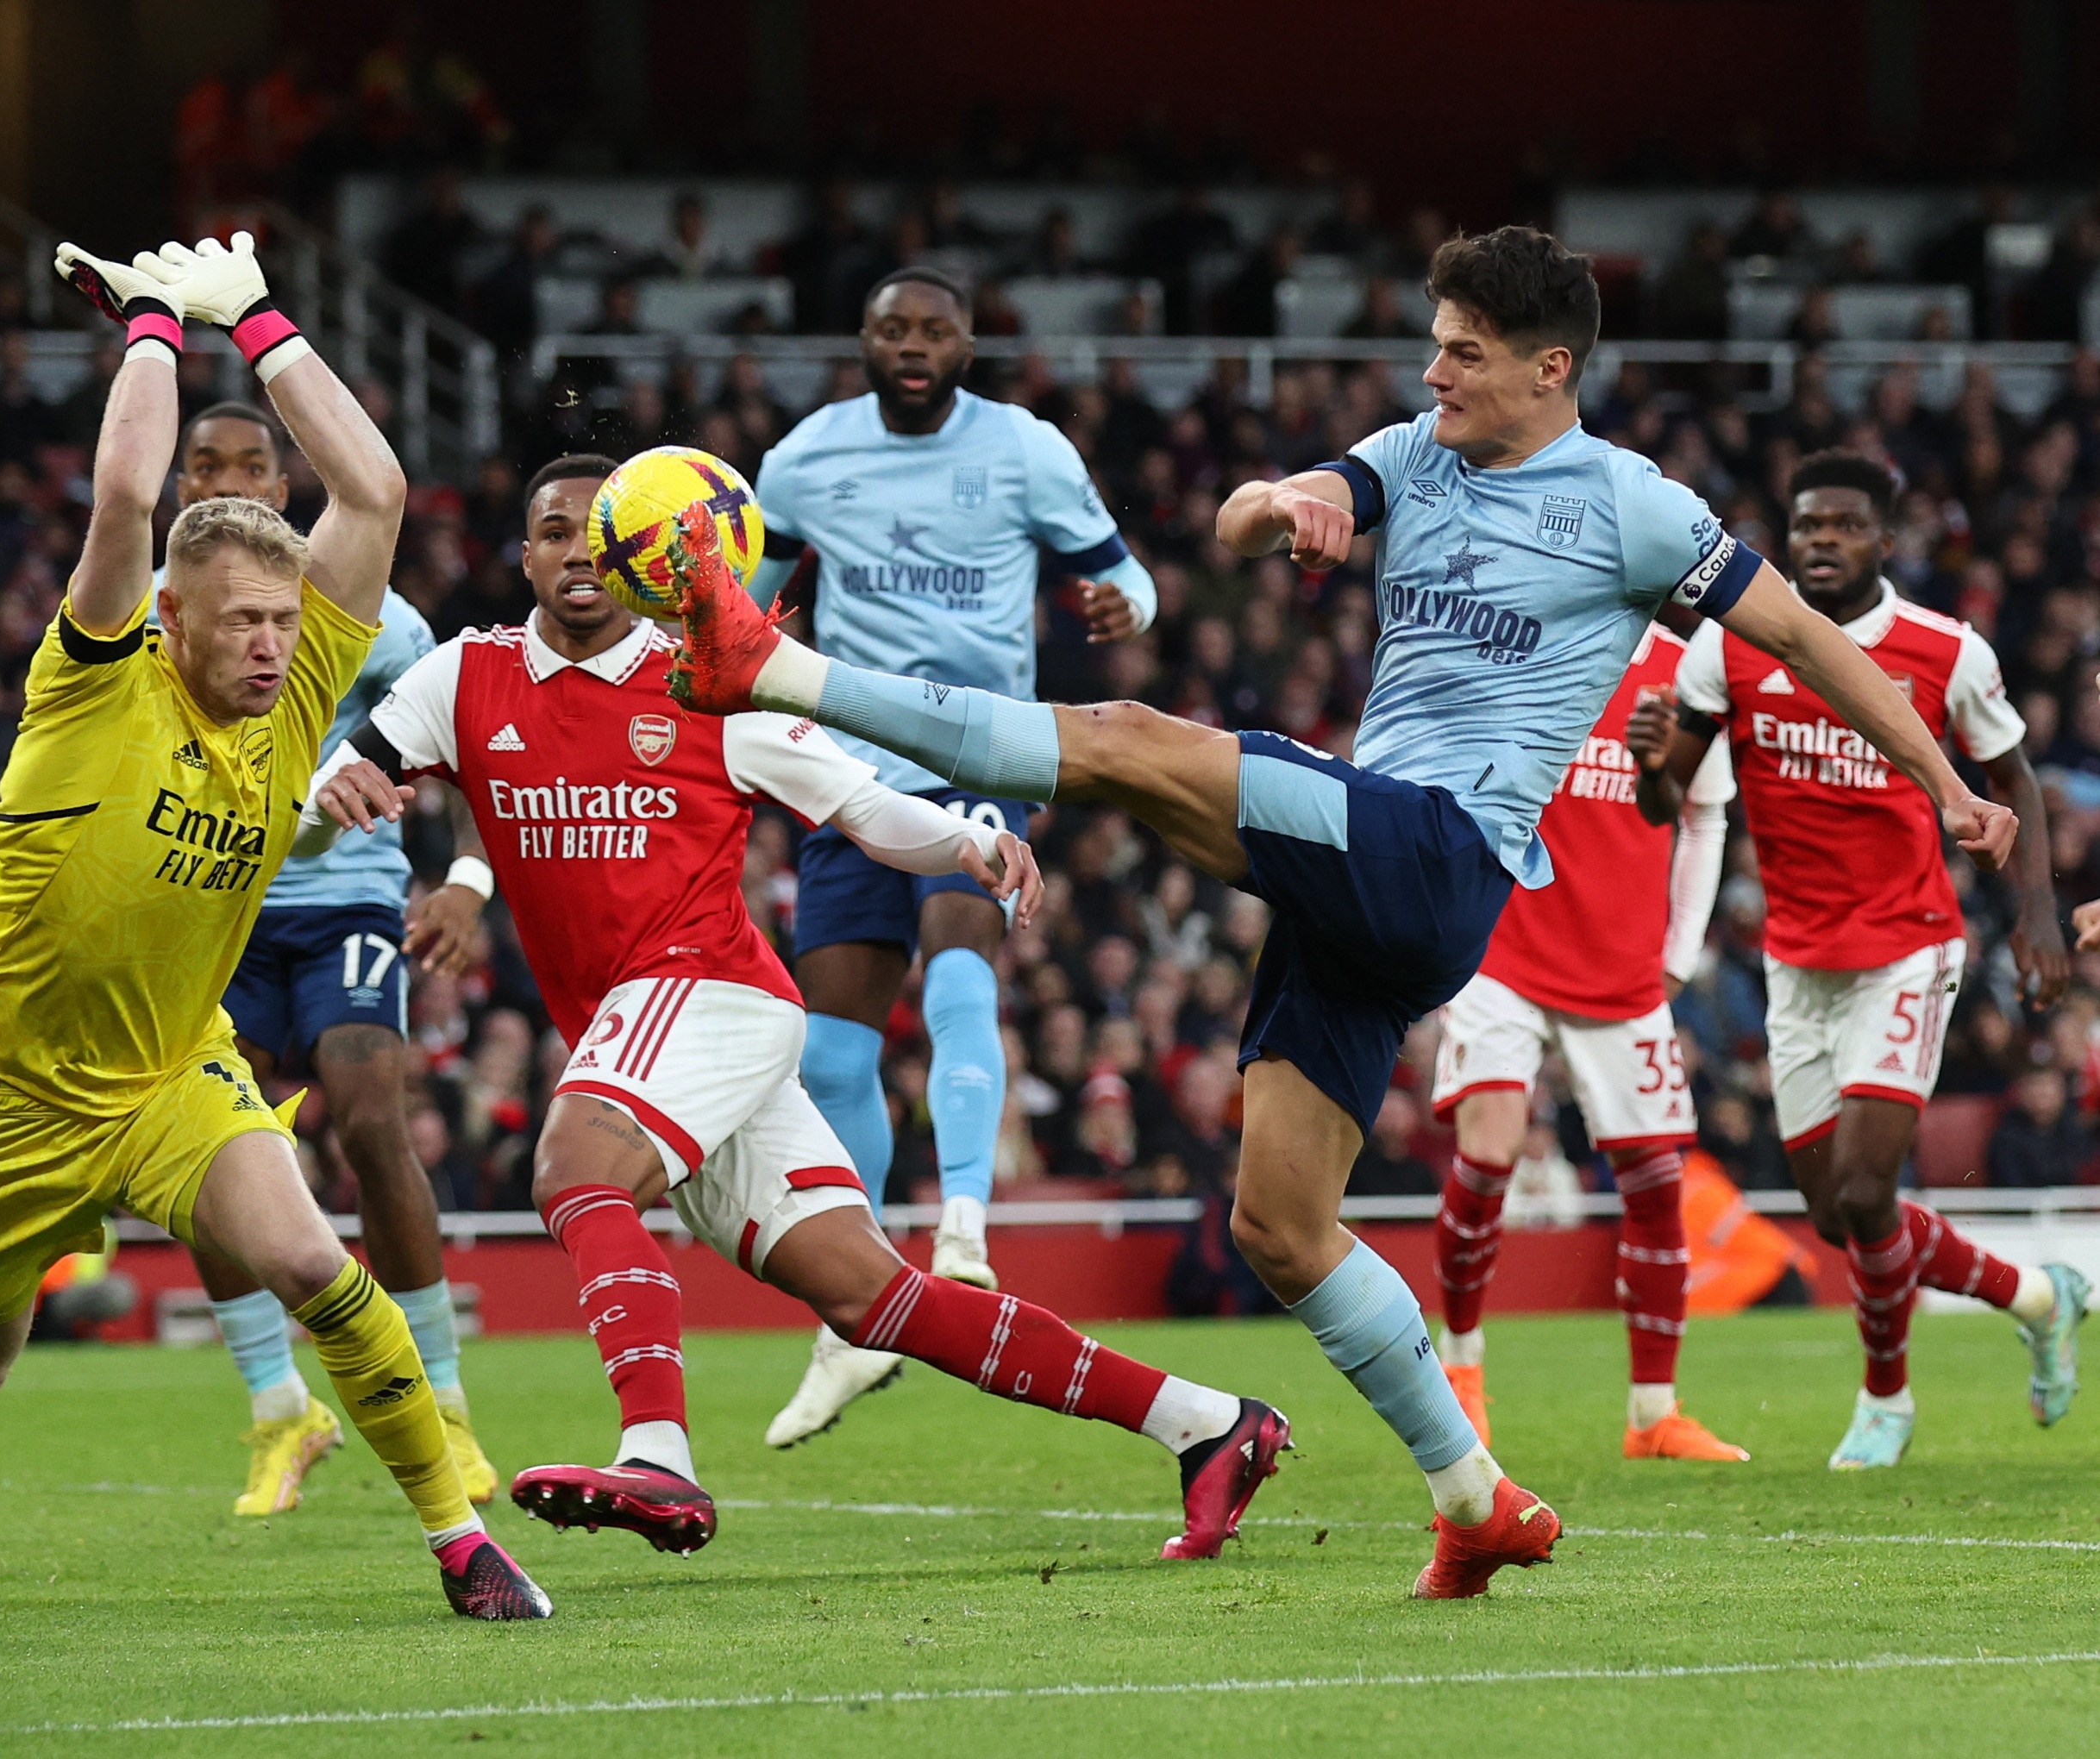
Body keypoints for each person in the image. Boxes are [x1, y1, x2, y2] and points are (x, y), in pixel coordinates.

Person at [667, 226, 2022, 1596]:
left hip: (1442, 853)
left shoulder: (1637, 506)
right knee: (1280, 1225)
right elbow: (1244, 513)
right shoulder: (1412, 453)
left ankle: (770, 668)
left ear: (1552, 369)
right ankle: (1476, 1496)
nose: (1433, 369)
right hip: (1372, 873)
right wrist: (1281, 508)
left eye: (1465, 351)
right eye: (1433, 341)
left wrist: (1950, 791)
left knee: (1129, 736)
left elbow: (1812, 643)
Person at [295, 455, 1285, 1562]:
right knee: (872, 1303)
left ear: (649, 554)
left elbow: (863, 808)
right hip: (645, 1031)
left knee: (574, 1167)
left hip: (711, 991)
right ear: (521, 555)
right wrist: (328, 810)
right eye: (552, 531)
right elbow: (321, 806)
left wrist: (965, 838)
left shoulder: (712, 678)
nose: (579, 550)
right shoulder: (462, 678)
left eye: (601, 531)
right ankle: (1205, 1423)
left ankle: (658, 1457)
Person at [0, 233, 547, 1619]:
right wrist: (159, 322)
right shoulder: (93, 691)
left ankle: (459, 1541)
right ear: (169, 621)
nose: (277, 649)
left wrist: (265, 319)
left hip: (173, 1072)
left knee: (309, 1263)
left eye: (289, 622)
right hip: (6, 1102)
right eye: (242, 625)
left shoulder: (293, 699)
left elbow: (378, 488)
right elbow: (120, 494)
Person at [746, 266, 1159, 1449]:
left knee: (960, 956)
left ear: (970, 342)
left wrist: (1127, 607)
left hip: (983, 744)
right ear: (864, 341)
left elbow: (1117, 567)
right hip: (850, 764)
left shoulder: (1024, 449)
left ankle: (966, 1231)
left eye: (934, 329)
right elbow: (757, 599)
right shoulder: (807, 457)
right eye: (893, 329)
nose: (914, 345)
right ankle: (855, 1317)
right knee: (831, 1049)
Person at [1628, 448, 2086, 1469]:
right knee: (1837, 1216)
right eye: (1804, 528)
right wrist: (1651, 759)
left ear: (1885, 539)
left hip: (1906, 950)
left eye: (1841, 527)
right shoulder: (1729, 648)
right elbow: (1669, 804)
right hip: (1796, 967)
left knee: (1870, 1194)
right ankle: (2040, 1295)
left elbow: (2009, 769)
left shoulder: (1941, 651)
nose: (1820, 544)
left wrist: (2036, 914)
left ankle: (1885, 1402)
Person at [150, 397, 497, 1519]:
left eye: (249, 463)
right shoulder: (154, 618)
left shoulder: (377, 619)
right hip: (211, 905)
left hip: (344, 899)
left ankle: (442, 1401)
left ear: (286, 482)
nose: (226, 480)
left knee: (368, 1110)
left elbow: (475, 739)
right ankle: (278, 1407)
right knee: (206, 1149)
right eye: (204, 464)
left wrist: (468, 880)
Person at [1427, 621, 1750, 1462]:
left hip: (1621, 964)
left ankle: (1651, 1414)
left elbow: (1706, 819)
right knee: (1489, 1153)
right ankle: (1459, 1373)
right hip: (1502, 947)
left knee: (1653, 1181)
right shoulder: (1519, 636)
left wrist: (1676, 958)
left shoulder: (1687, 672)